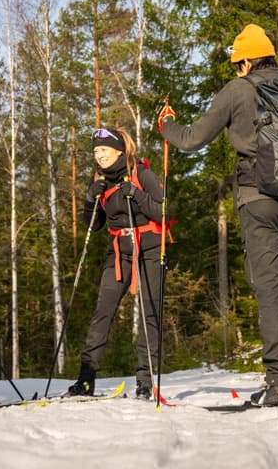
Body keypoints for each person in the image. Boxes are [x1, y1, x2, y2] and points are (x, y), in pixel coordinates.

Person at [159, 23, 278, 407]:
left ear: (246, 62)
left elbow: (192, 139)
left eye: (237, 64)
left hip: (258, 198)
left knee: (269, 292)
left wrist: (166, 123)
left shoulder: (239, 90)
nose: (236, 71)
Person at [67, 126, 165, 400]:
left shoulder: (142, 173)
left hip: (149, 248)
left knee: (150, 314)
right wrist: (90, 199)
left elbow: (162, 211)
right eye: (96, 151)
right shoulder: (99, 179)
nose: (99, 156)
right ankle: (85, 380)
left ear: (119, 151)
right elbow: (93, 224)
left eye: (104, 150)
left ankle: (145, 381)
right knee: (102, 313)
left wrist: (137, 194)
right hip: (119, 252)